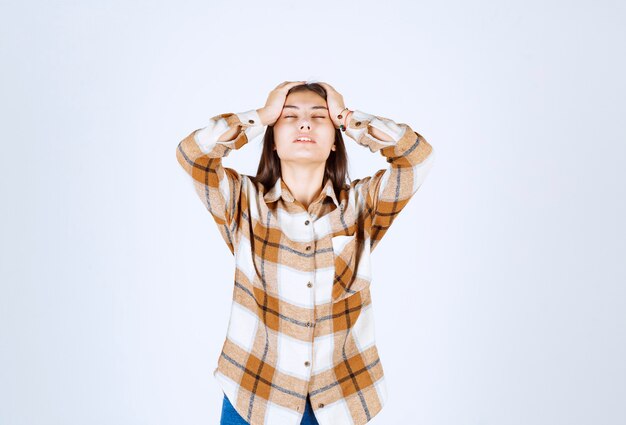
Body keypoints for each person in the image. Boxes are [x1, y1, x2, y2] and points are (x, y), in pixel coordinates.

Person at [175, 81, 436, 425]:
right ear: (273, 140)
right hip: (255, 397)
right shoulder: (242, 202)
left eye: (318, 117)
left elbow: (415, 157)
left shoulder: (361, 206)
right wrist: (260, 116)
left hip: (338, 401)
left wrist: (349, 118)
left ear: (333, 142)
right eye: (289, 116)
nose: (304, 124)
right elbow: (193, 155)